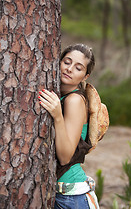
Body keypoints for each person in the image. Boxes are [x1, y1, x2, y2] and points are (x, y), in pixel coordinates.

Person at [38, 44, 99, 208]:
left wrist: (58, 116)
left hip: (71, 198)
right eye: (67, 62)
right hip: (62, 194)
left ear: (85, 76)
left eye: (78, 68)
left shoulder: (74, 100)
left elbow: (65, 157)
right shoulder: (63, 97)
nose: (70, 69)